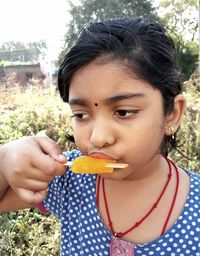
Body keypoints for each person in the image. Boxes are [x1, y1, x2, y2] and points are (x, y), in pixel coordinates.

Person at [0, 17, 199, 256]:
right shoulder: (67, 180)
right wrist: (5, 159)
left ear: (172, 114)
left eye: (123, 112)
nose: (98, 138)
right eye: (82, 115)